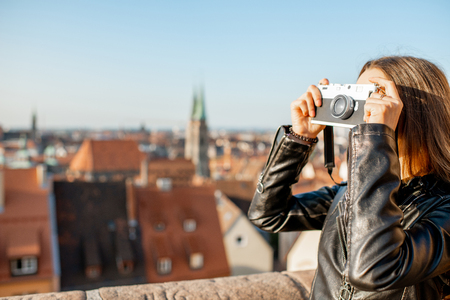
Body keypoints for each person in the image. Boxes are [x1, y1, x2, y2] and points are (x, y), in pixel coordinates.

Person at [248, 56, 450, 299]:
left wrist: (376, 136)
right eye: (359, 95)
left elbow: (374, 269)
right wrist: (299, 138)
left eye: (375, 95)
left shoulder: (445, 210)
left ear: (416, 110)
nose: (362, 110)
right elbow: (268, 215)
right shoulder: (349, 193)